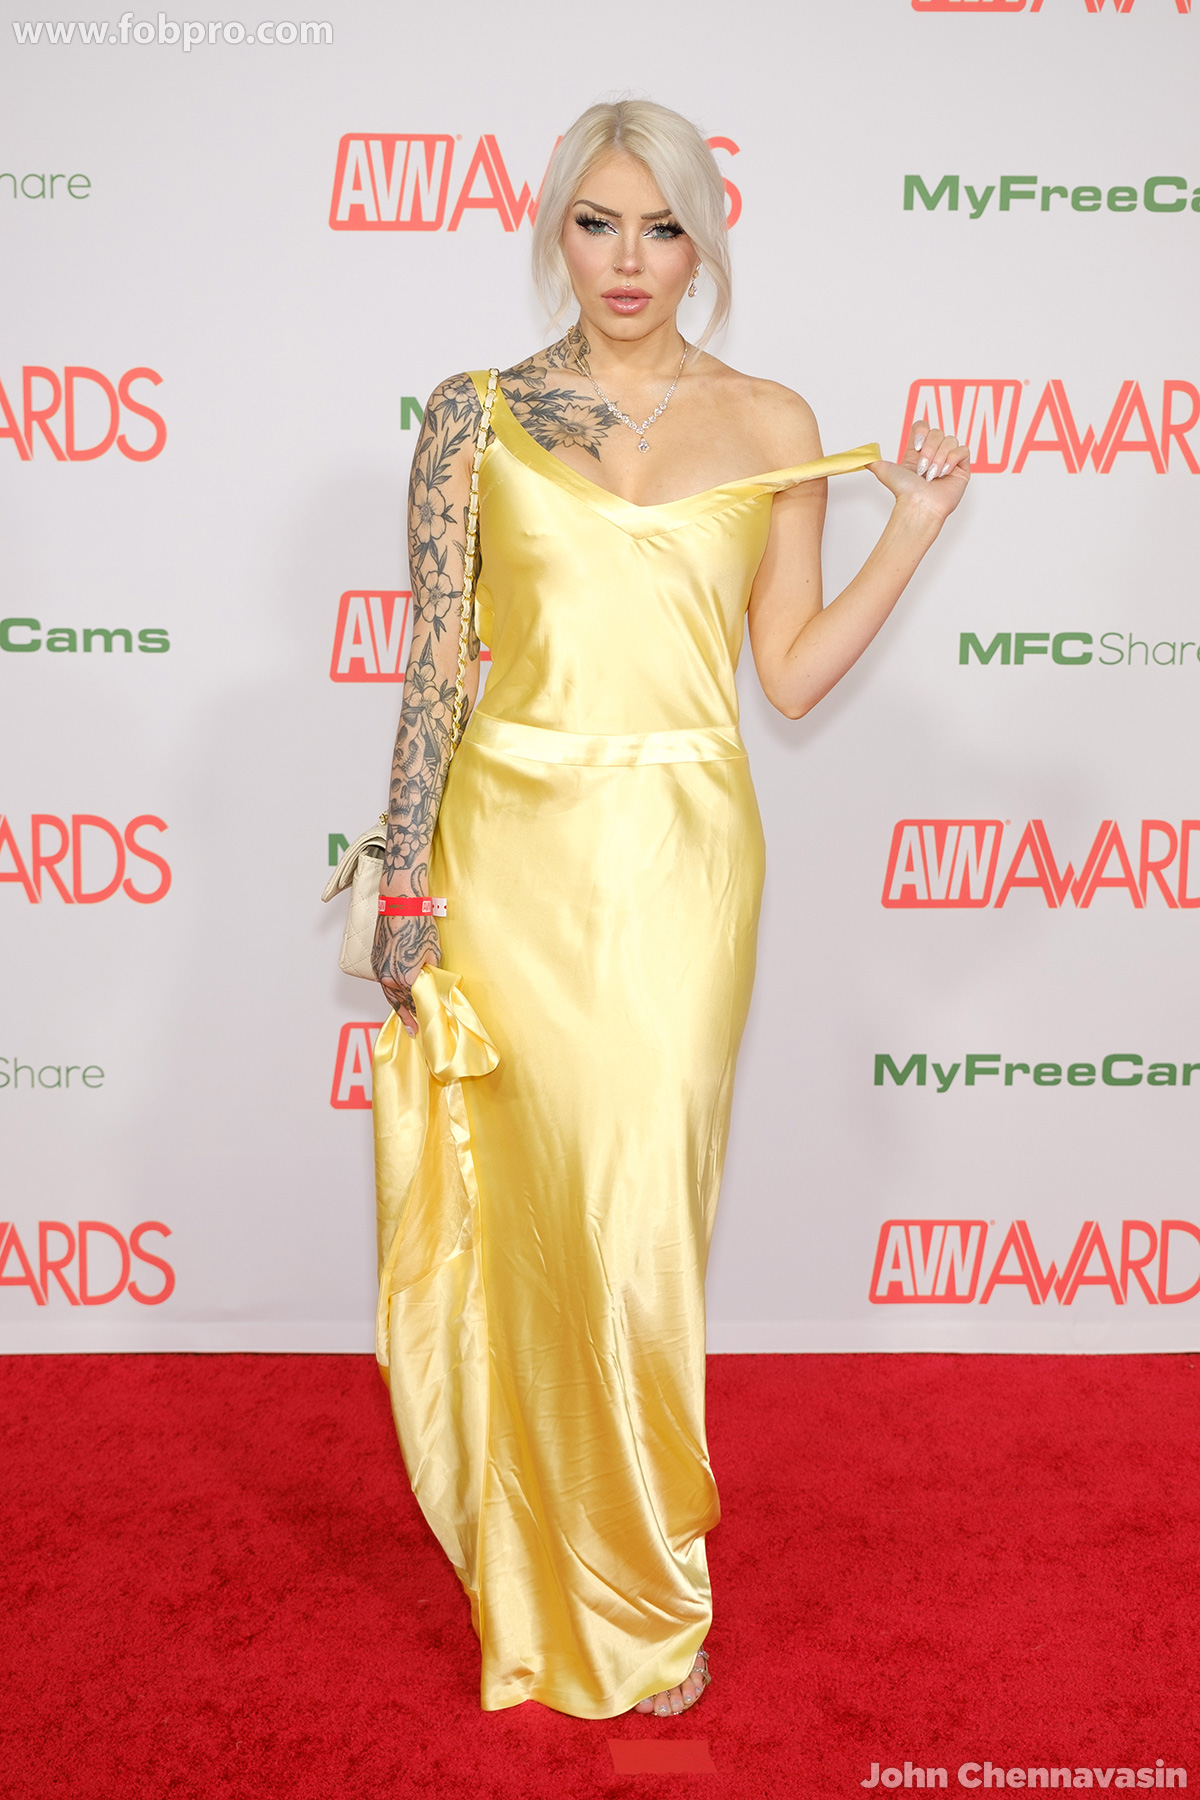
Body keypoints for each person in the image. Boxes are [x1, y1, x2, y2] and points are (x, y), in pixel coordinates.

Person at [369, 98, 968, 1723]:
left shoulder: (773, 420)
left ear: (704, 242)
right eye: (597, 223)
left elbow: (789, 674)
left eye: (662, 227)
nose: (628, 260)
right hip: (508, 845)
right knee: (527, 1215)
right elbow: (436, 665)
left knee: (640, 1215)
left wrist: (911, 533)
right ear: (553, 232)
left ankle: (638, 1593)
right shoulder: (475, 414)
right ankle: (537, 1563)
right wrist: (405, 878)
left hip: (682, 855)